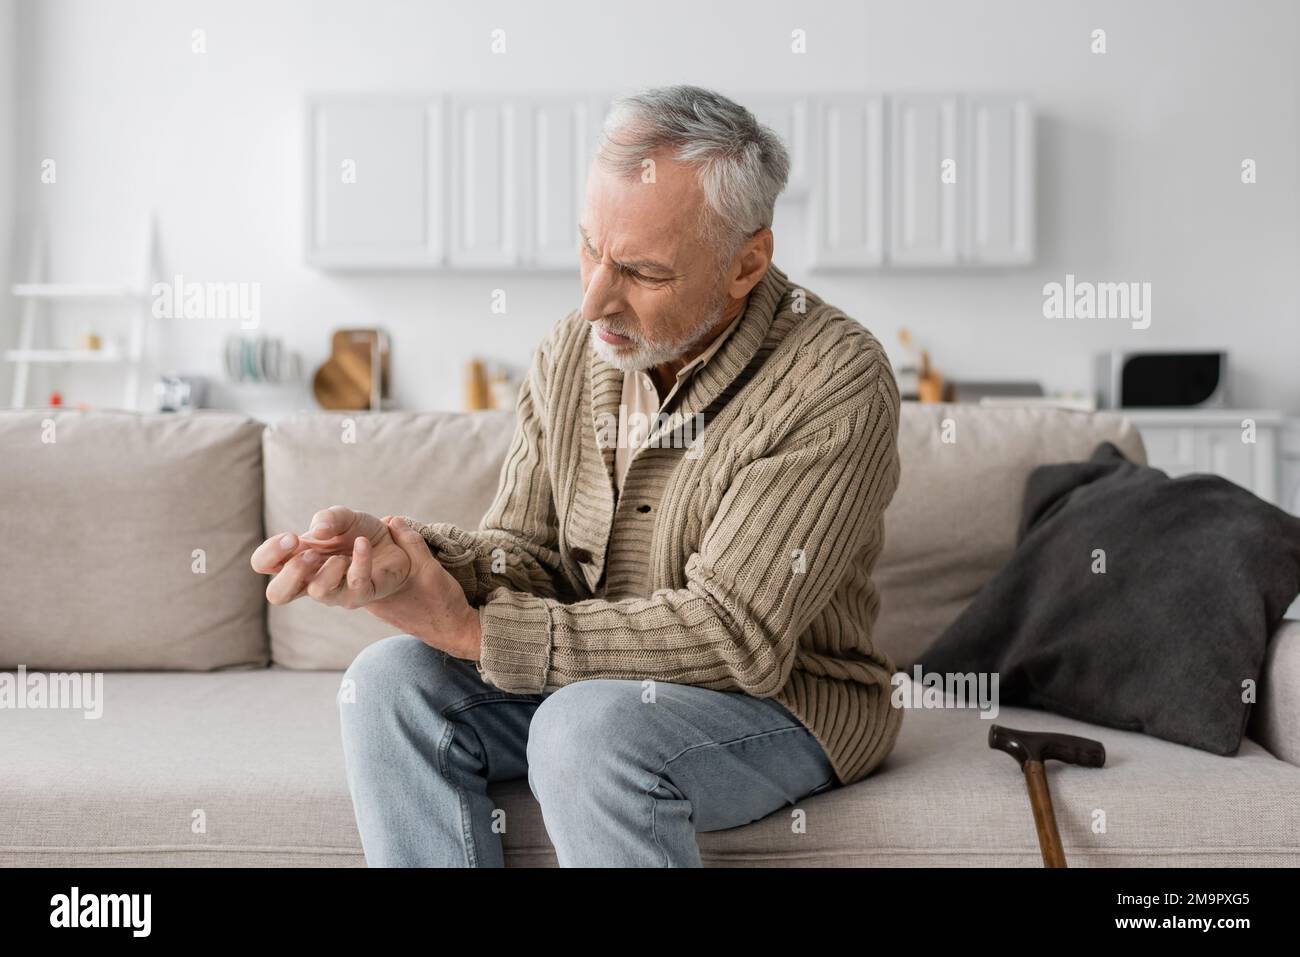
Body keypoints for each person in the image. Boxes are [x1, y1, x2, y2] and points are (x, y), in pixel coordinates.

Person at [251, 85, 903, 867]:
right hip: (589, 679)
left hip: (785, 701)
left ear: (746, 263)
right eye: (590, 246)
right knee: (387, 682)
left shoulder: (836, 377)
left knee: (584, 727)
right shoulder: (571, 351)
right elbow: (528, 557)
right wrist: (410, 553)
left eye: (640, 271)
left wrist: (473, 631)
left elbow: (737, 638)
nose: (594, 299)